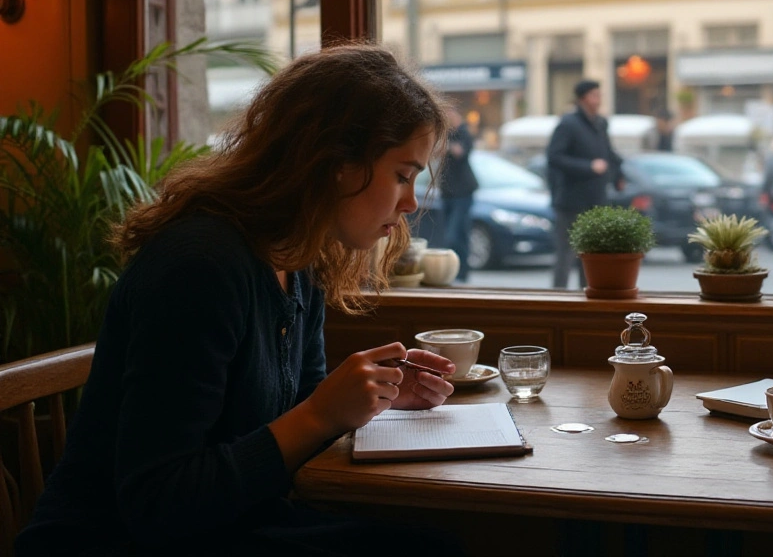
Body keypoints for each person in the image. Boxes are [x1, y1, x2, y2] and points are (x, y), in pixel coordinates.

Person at [17, 44, 461, 557]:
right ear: (337, 161)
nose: (409, 202)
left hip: (232, 524)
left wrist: (374, 399)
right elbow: (157, 503)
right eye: (403, 175)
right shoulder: (199, 268)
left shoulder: (299, 260)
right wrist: (321, 414)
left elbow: (297, 412)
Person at [545, 79, 623, 290]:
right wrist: (588, 166)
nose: (598, 100)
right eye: (594, 96)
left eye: (599, 96)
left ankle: (587, 296)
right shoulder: (568, 124)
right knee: (566, 254)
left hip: (596, 199)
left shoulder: (600, 123)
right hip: (571, 201)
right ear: (583, 99)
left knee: (590, 255)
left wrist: (618, 175)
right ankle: (557, 299)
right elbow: (554, 157)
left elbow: (608, 153)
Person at [439, 105, 478, 282]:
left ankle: (460, 272)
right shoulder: (445, 134)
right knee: (456, 234)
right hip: (447, 192)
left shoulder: (464, 132)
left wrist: (447, 146)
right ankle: (459, 272)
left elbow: (460, 152)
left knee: (455, 235)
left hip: (462, 192)